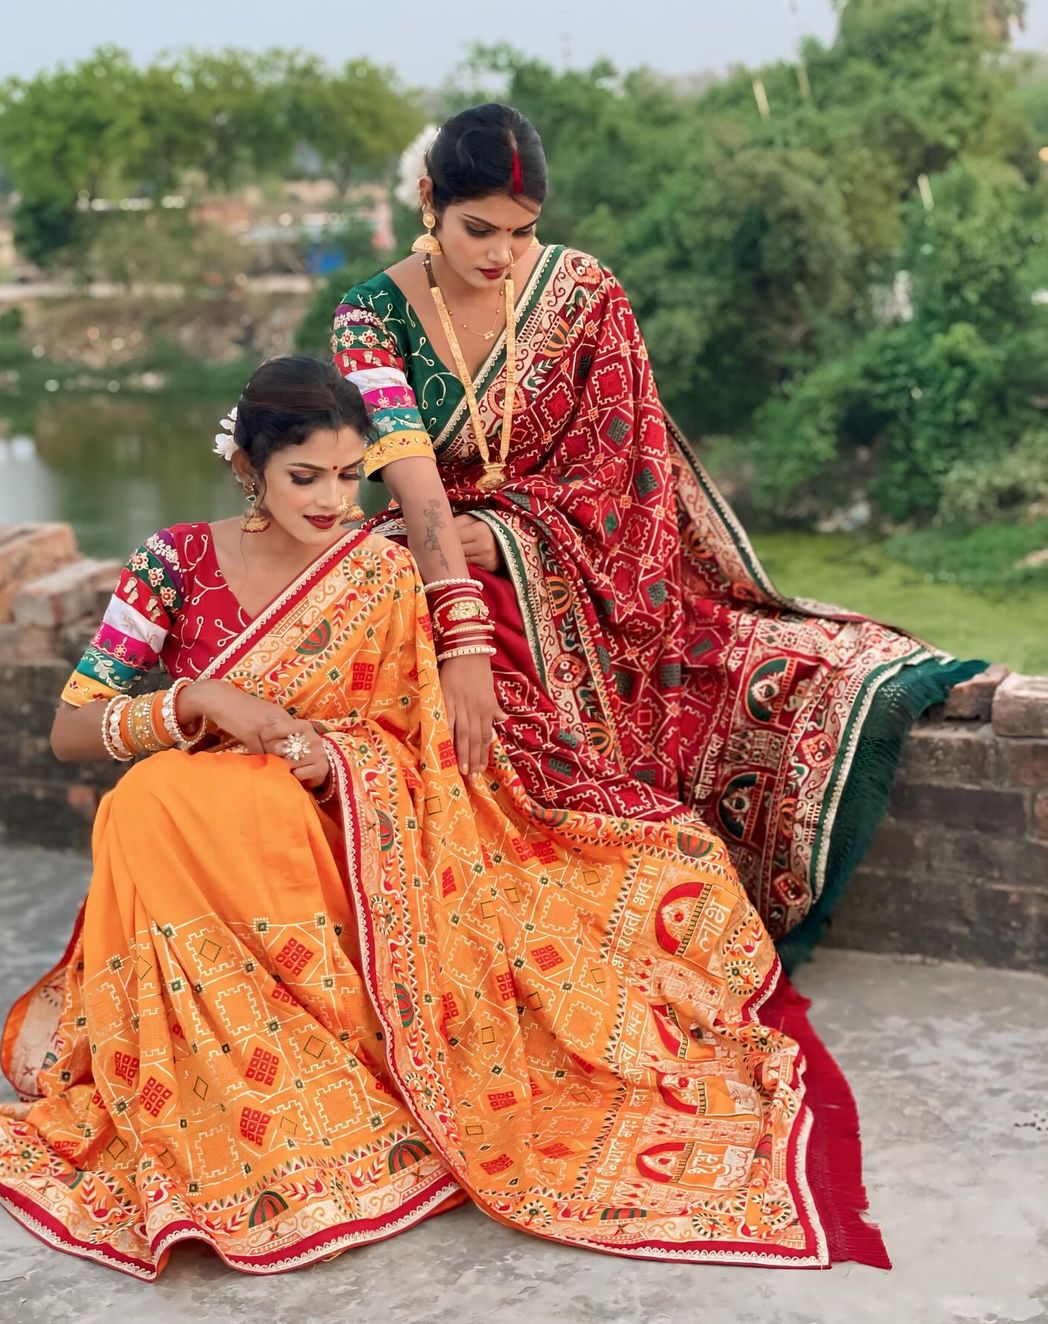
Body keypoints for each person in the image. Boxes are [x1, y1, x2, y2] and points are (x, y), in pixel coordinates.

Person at [0, 356, 887, 1278]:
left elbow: (417, 754)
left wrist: (330, 761)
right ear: (248, 468)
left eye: (349, 475)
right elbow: (70, 729)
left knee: (163, 803)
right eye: (305, 477)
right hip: (190, 843)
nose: (333, 500)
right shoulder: (172, 564)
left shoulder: (376, 573)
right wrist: (197, 702)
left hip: (334, 851)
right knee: (146, 799)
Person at [332, 103, 983, 966]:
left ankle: (622, 901)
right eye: (478, 230)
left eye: (522, 232)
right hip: (433, 559)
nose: (500, 255)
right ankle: (505, 934)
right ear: (429, 201)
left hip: (580, 566)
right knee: (427, 692)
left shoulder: (583, 294)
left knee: (811, 668)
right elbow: (413, 481)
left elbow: (624, 473)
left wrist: (516, 538)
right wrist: (463, 639)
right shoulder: (370, 317)